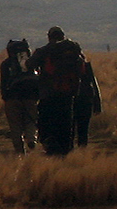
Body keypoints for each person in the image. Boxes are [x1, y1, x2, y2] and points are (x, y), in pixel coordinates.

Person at [26, 27, 87, 156]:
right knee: (66, 123)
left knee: (48, 123)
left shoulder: (45, 51)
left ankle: (51, 149)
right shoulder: (74, 50)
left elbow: (29, 64)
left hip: (48, 94)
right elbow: (82, 70)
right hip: (69, 94)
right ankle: (66, 150)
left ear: (49, 37)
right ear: (63, 36)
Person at [0, 39, 38, 154]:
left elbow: (3, 83)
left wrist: (5, 97)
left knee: (15, 126)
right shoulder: (30, 63)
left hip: (12, 98)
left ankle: (20, 151)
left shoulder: (6, 64)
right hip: (31, 96)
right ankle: (31, 139)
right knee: (31, 120)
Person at [74, 60, 103, 147]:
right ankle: (82, 149)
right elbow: (93, 83)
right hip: (86, 98)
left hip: (70, 98)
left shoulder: (61, 64)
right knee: (83, 127)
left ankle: (68, 150)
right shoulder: (85, 65)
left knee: (70, 127)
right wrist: (97, 104)